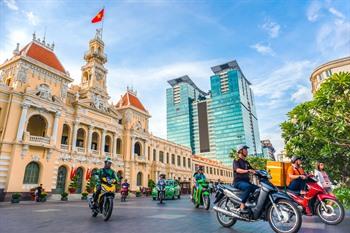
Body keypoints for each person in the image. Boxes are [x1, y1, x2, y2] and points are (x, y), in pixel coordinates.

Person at [233, 144, 258, 213]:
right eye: (245, 149)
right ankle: (242, 206)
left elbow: (253, 170)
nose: (247, 151)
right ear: (240, 151)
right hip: (238, 182)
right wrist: (247, 171)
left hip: (246, 182)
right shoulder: (236, 160)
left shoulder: (246, 162)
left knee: (258, 189)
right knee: (248, 187)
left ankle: (252, 204)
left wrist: (261, 172)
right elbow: (237, 170)